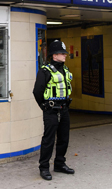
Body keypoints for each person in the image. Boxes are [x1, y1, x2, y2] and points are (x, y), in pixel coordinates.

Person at [33, 40, 74, 181]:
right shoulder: (45, 71)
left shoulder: (65, 69)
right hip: (51, 110)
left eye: (65, 53)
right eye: (63, 53)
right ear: (54, 55)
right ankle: (44, 168)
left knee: (64, 138)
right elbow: (37, 91)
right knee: (48, 140)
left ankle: (59, 164)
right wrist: (44, 107)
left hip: (64, 109)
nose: (65, 56)